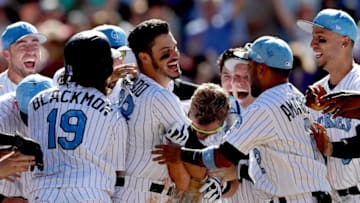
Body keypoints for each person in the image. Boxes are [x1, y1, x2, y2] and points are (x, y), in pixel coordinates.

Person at [152, 35, 332, 202]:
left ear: (262, 68)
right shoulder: (295, 95)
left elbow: (222, 157)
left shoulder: (265, 106)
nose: (247, 73)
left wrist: (180, 153)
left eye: (250, 66)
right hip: (309, 193)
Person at [26, 30, 127, 202]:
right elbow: (118, 171)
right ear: (105, 67)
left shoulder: (36, 102)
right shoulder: (112, 112)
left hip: (42, 193)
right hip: (90, 192)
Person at [110, 19, 191, 203]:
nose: (175, 56)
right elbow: (193, 151)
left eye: (175, 48)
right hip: (143, 193)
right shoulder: (159, 97)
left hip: (124, 190)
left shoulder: (124, 82)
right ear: (144, 57)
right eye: (165, 53)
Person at [297, 8, 360, 202]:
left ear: (344, 42)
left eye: (321, 38)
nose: (312, 44)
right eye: (313, 38)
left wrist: (332, 148)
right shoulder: (315, 92)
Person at [210, 47, 257, 203]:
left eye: (240, 76)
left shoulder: (263, 109)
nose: (232, 83)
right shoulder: (210, 110)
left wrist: (237, 171)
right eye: (226, 76)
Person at [0, 74, 52, 202]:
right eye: (31, 117)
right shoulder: (2, 113)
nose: (36, 122)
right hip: (10, 193)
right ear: (16, 104)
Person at [0, 21, 47, 95]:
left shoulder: (51, 88)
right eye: (22, 46)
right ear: (6, 54)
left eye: (35, 45)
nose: (31, 51)